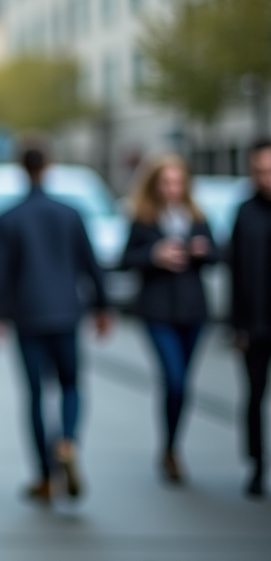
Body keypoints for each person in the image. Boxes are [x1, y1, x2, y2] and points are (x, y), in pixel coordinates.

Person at [0, 147, 112, 504]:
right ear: (50, 167)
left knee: (36, 394)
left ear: (21, 170)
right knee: (71, 384)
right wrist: (103, 306)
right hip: (67, 312)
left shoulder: (9, 217)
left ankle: (43, 476)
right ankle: (68, 440)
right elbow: (90, 263)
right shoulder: (70, 213)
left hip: (28, 316)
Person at [120, 155, 216, 484]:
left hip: (193, 311)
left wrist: (203, 251)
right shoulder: (143, 220)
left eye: (178, 182)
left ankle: (172, 446)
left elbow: (218, 255)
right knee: (173, 379)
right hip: (157, 310)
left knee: (184, 385)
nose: (172, 189)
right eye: (166, 182)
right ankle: (171, 449)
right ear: (155, 185)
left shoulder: (196, 217)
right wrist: (154, 255)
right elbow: (124, 259)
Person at [230, 138, 271, 498]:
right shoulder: (244, 212)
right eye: (259, 171)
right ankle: (257, 465)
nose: (265, 178)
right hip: (255, 325)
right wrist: (237, 325)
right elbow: (236, 272)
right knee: (254, 396)